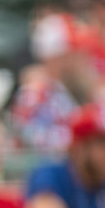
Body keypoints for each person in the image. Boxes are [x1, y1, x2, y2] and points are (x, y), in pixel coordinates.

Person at [10, 12, 95, 154]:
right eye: (76, 52)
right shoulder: (34, 96)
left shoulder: (76, 92)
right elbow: (44, 150)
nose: (84, 60)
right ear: (56, 59)